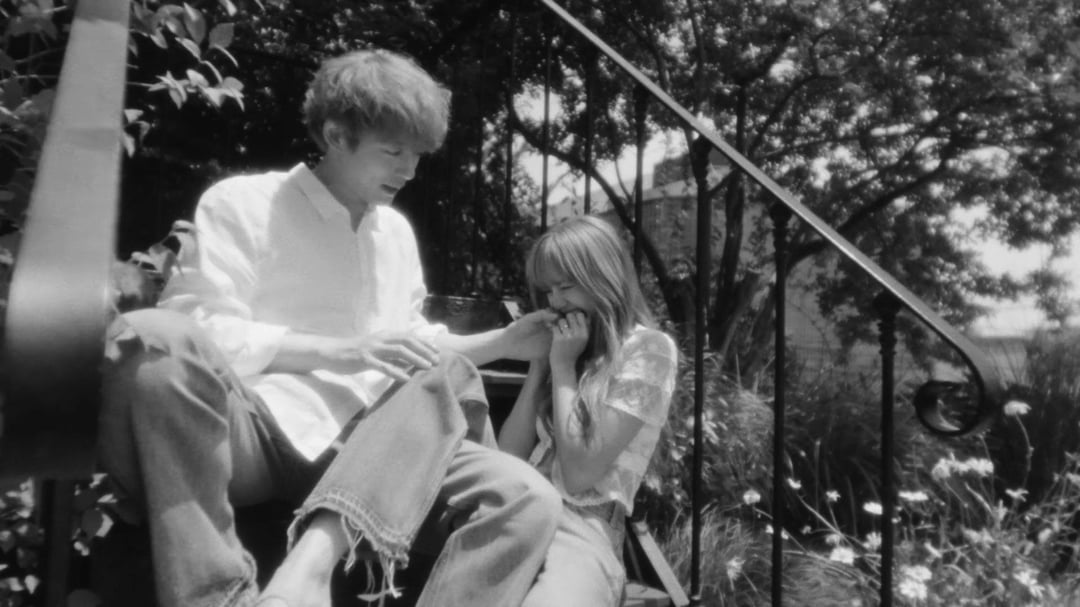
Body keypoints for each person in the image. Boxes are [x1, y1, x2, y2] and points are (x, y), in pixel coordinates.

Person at [99, 48, 563, 607]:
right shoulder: (243, 203)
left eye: (417, 154)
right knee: (153, 337)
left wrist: (508, 342)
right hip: (257, 429)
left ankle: (310, 570)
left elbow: (415, 345)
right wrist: (341, 351)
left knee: (526, 498)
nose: (410, 170)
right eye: (393, 151)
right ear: (336, 135)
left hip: (383, 443)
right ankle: (218, 597)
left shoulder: (394, 233)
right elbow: (199, 327)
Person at [498, 216, 679, 607]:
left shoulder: (648, 350)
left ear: (604, 278)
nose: (555, 302)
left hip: (584, 522)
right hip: (522, 509)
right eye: (547, 290)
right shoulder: (570, 350)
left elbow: (579, 475)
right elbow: (508, 456)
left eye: (566, 286)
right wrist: (541, 367)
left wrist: (563, 368)